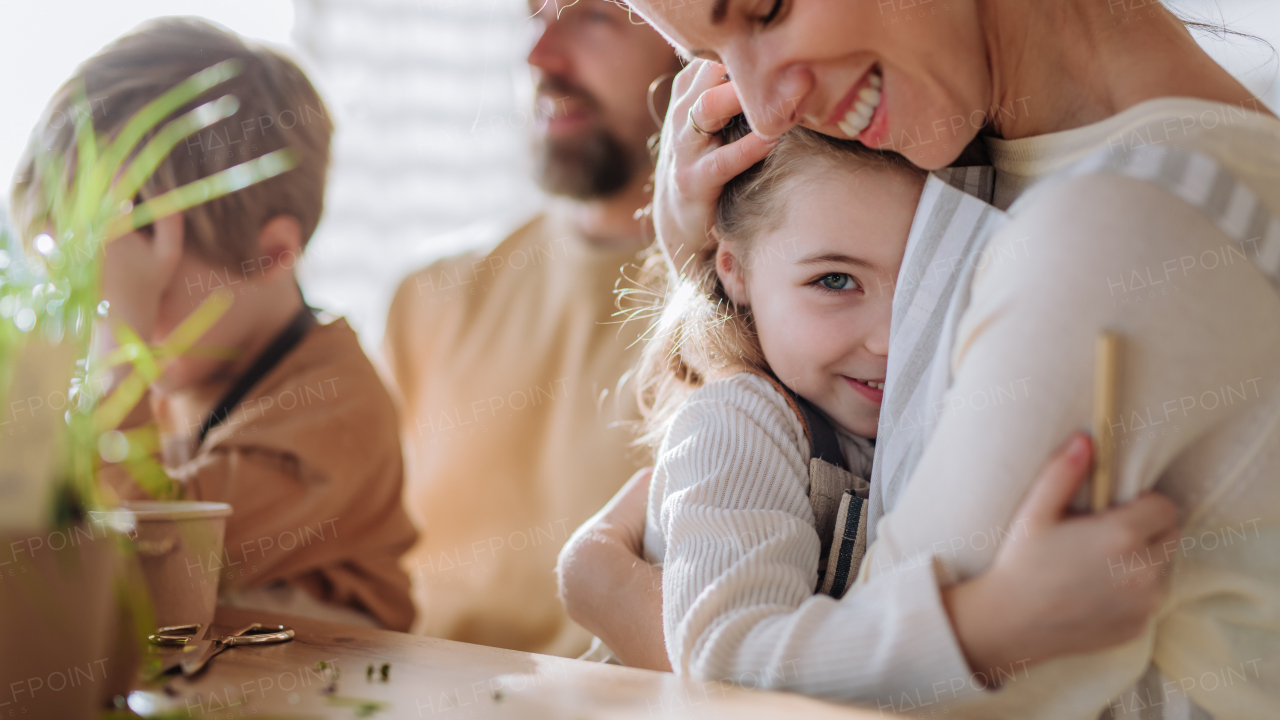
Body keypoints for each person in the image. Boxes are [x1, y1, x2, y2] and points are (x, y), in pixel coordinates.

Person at [561, 1, 1280, 716]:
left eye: (767, 10)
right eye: (708, 57)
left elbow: (868, 706)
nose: (769, 109)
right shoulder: (981, 151)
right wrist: (694, 255)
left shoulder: (1113, 234)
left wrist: (610, 589)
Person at [11, 17, 418, 631]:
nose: (104, 315)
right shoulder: (178, 385)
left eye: (134, 290)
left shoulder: (335, 409)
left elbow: (147, 574)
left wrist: (121, 351)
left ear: (270, 255)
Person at [381, 0, 683, 656]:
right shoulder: (427, 300)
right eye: (532, 11)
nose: (537, 53)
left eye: (594, 15)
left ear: (694, 45)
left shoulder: (751, 316)